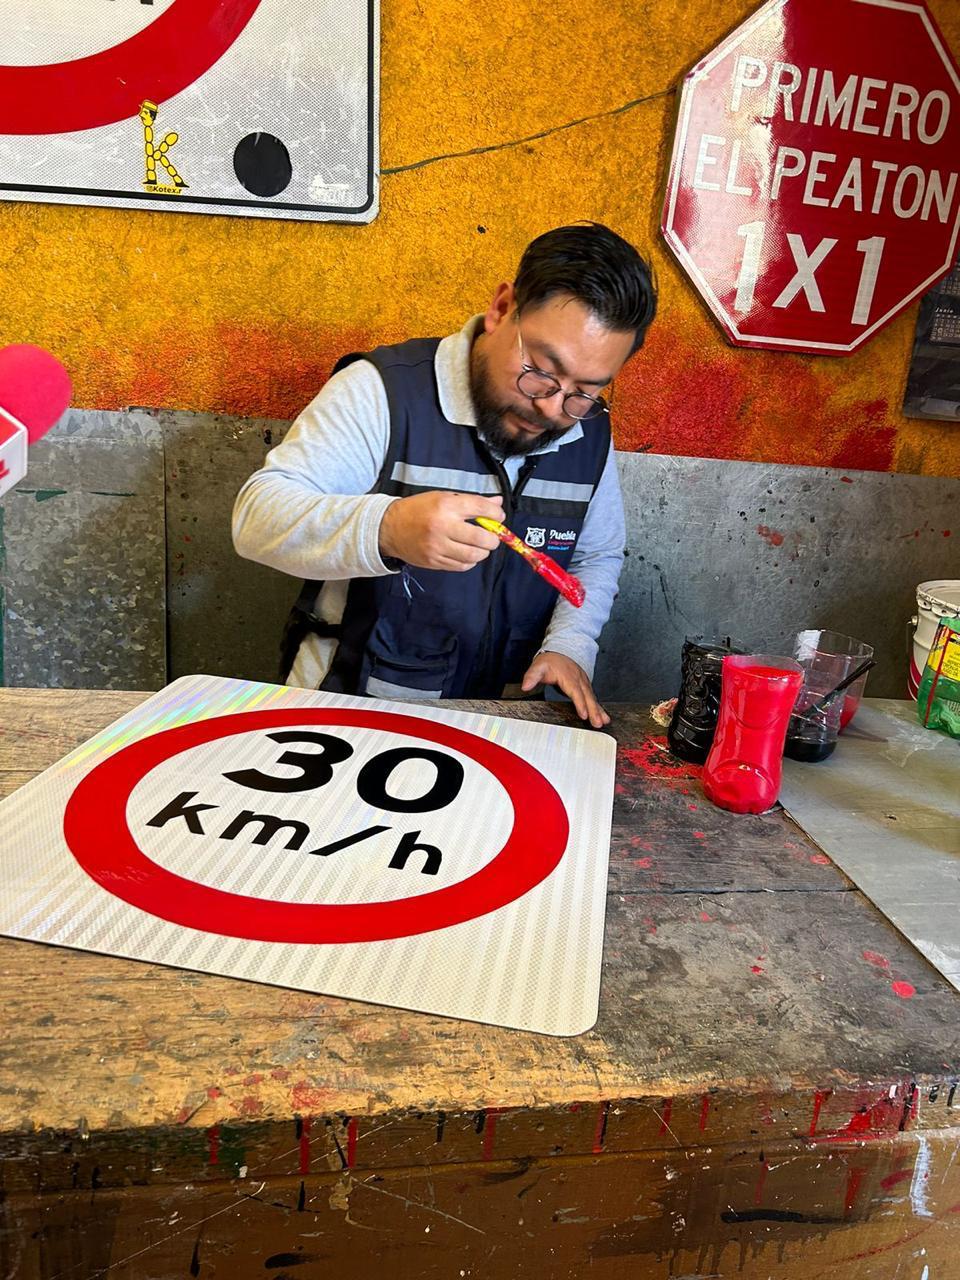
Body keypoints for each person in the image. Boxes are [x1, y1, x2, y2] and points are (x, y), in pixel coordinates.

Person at [232, 222, 657, 727]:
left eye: (584, 390)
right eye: (541, 369)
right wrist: (387, 528)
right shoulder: (384, 392)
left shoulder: (588, 431)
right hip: (349, 711)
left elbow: (595, 555)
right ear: (502, 310)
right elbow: (255, 517)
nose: (550, 407)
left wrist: (571, 644)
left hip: (496, 720)